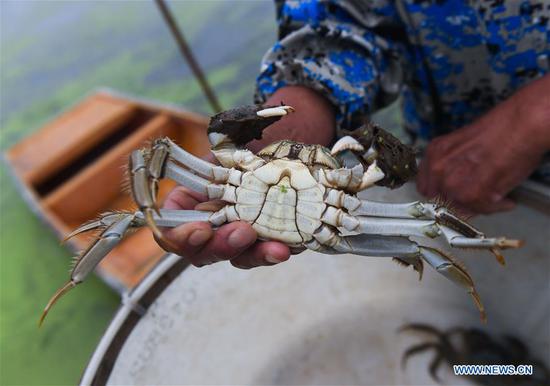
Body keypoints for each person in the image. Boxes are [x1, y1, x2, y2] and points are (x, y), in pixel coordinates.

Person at [158, 0, 549, 269]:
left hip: (480, 170)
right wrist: (297, 113)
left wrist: (537, 112)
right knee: (432, 234)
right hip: (452, 168)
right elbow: (345, 22)